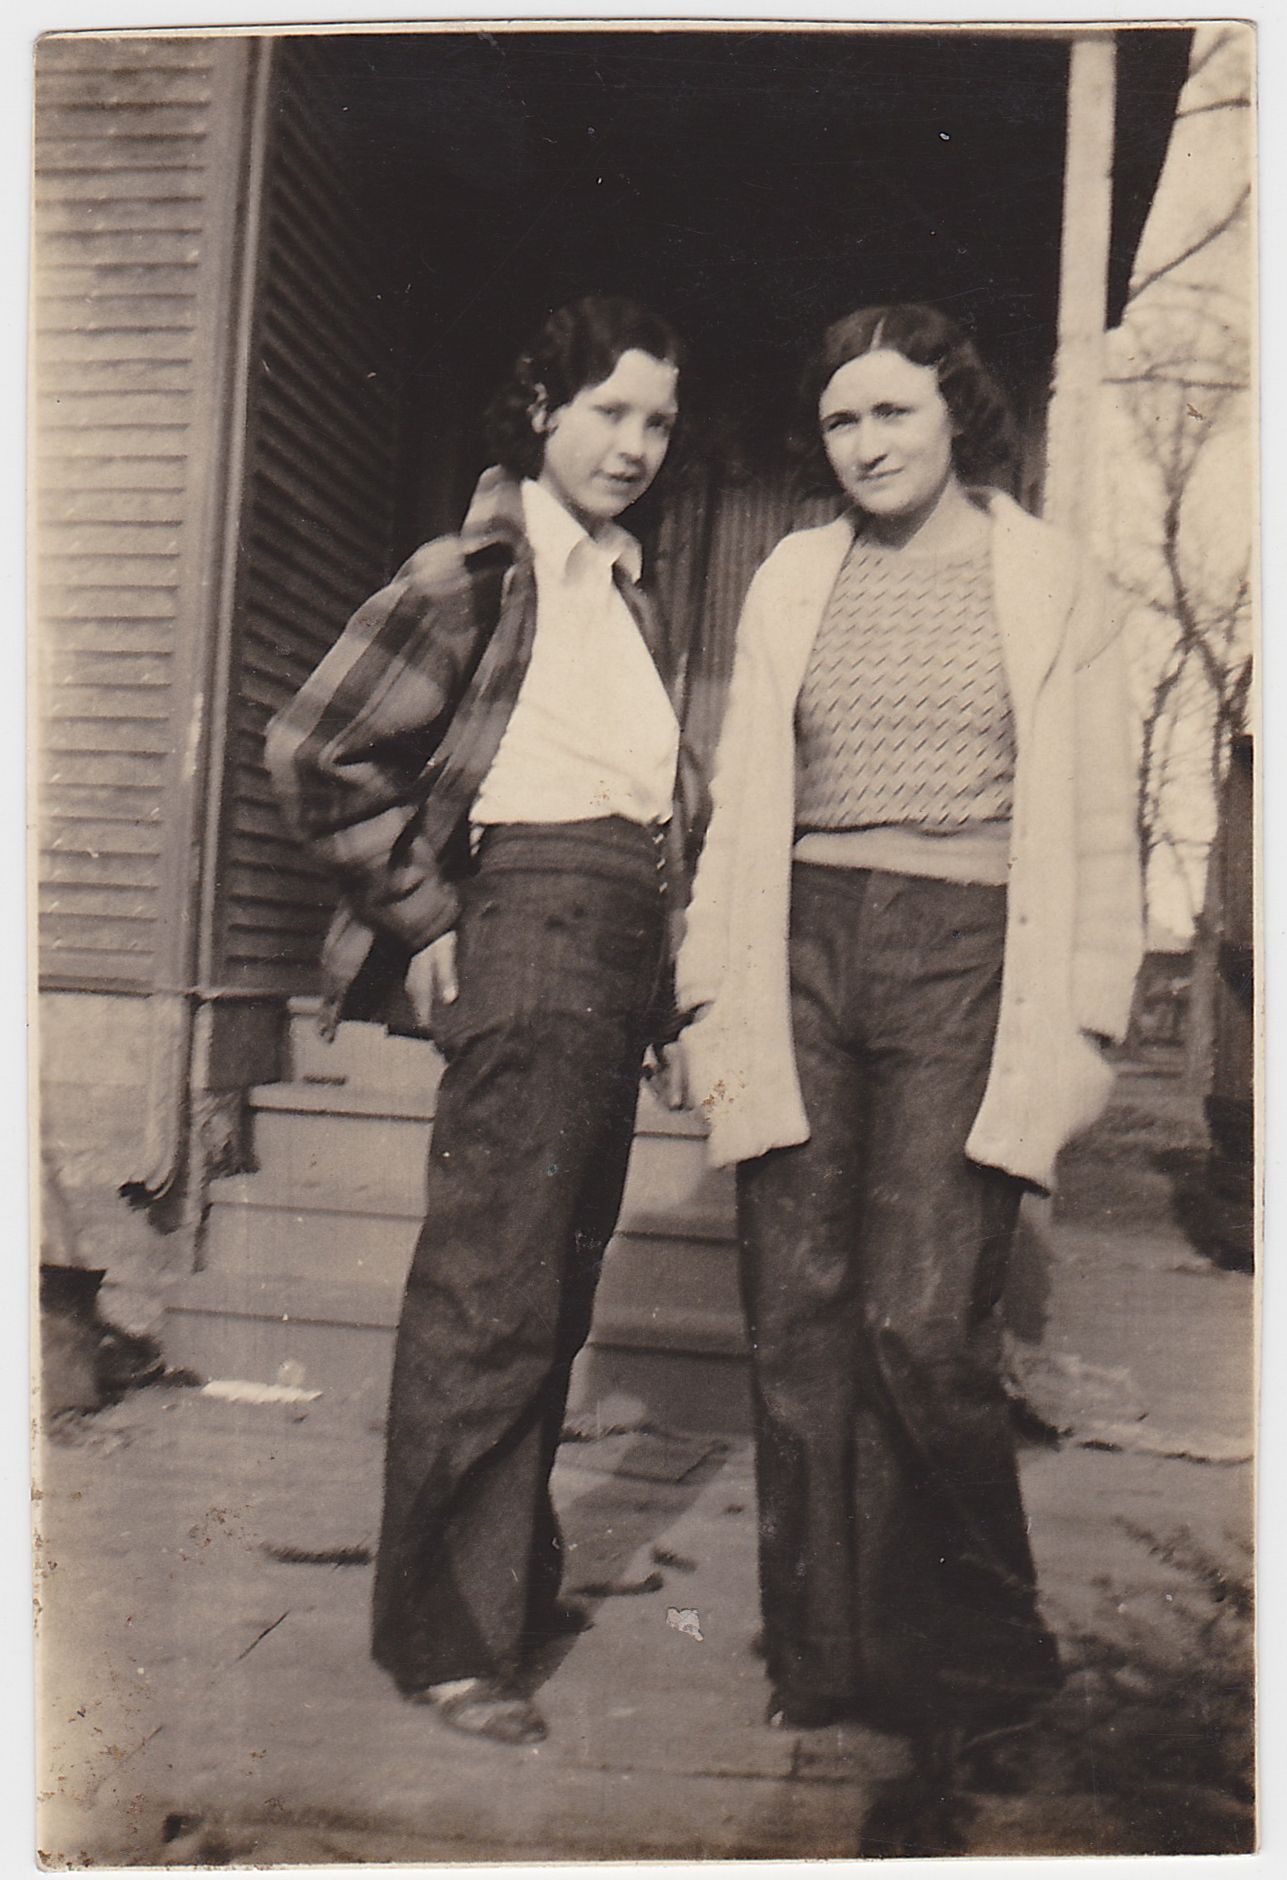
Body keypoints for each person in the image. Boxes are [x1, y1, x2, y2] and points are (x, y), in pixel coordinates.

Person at [674, 304, 1143, 1757]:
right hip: (799, 943)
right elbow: (745, 796)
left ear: (957, 416)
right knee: (799, 1317)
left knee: (922, 1323)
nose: (867, 444)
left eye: (893, 413)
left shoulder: (1050, 580)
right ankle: (821, 1659)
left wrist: (1081, 1019)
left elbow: (1098, 826)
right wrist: (709, 985)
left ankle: (989, 1649)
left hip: (968, 956)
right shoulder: (792, 577)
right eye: (840, 422)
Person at [267, 295, 701, 1746]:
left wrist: (661, 990)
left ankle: (499, 1587)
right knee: (493, 1292)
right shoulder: (474, 571)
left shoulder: (629, 588)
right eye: (611, 413)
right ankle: (447, 1641)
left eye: (658, 420)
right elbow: (318, 747)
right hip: (525, 932)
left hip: (615, 942)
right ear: (542, 414)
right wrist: (429, 915)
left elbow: (648, 795)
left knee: (554, 1292)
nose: (636, 444)